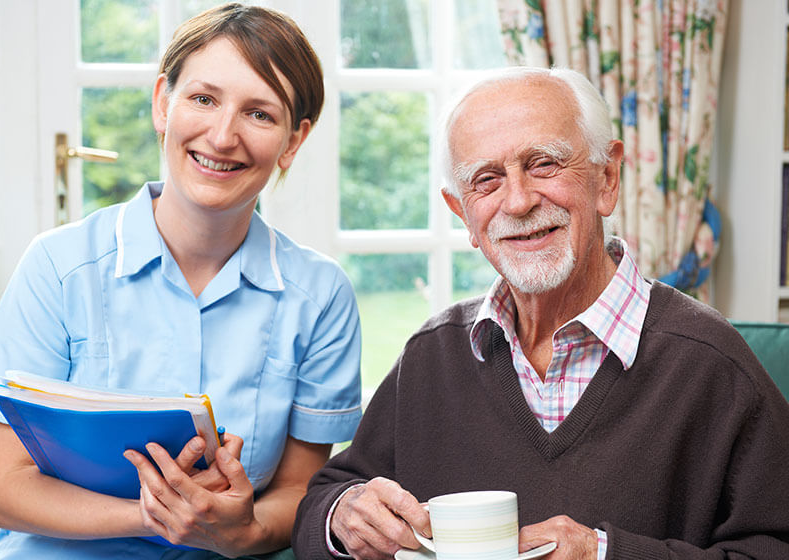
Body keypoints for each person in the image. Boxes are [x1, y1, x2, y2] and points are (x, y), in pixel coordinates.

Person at [291, 66, 789, 560]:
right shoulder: (432, 354)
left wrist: (605, 555)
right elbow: (325, 500)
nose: (520, 200)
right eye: (486, 180)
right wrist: (344, 515)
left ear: (607, 178)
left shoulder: (712, 362)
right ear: (461, 211)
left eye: (544, 164)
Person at [0, 3, 362, 559]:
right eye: (203, 99)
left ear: (294, 141)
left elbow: (297, 491)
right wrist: (164, 516)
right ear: (162, 104)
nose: (222, 136)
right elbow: (6, 489)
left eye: (260, 115)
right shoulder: (58, 267)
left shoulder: (321, 296)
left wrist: (238, 530)